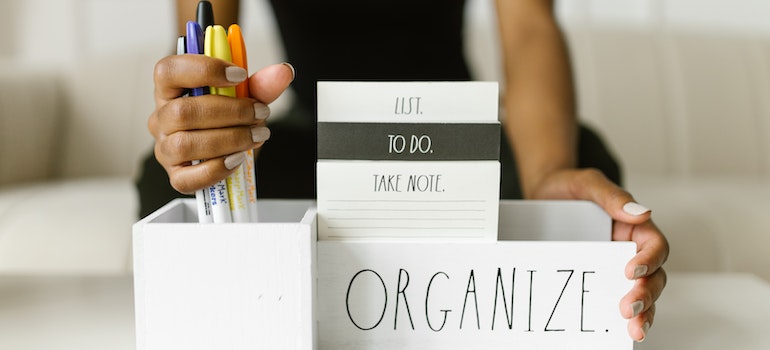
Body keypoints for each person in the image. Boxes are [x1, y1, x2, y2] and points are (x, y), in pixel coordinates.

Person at [138, 0, 668, 342]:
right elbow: (203, 34)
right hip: (319, 139)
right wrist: (199, 127)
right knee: (165, 180)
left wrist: (548, 177)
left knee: (583, 161)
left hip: (451, 135)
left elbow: (529, 27)